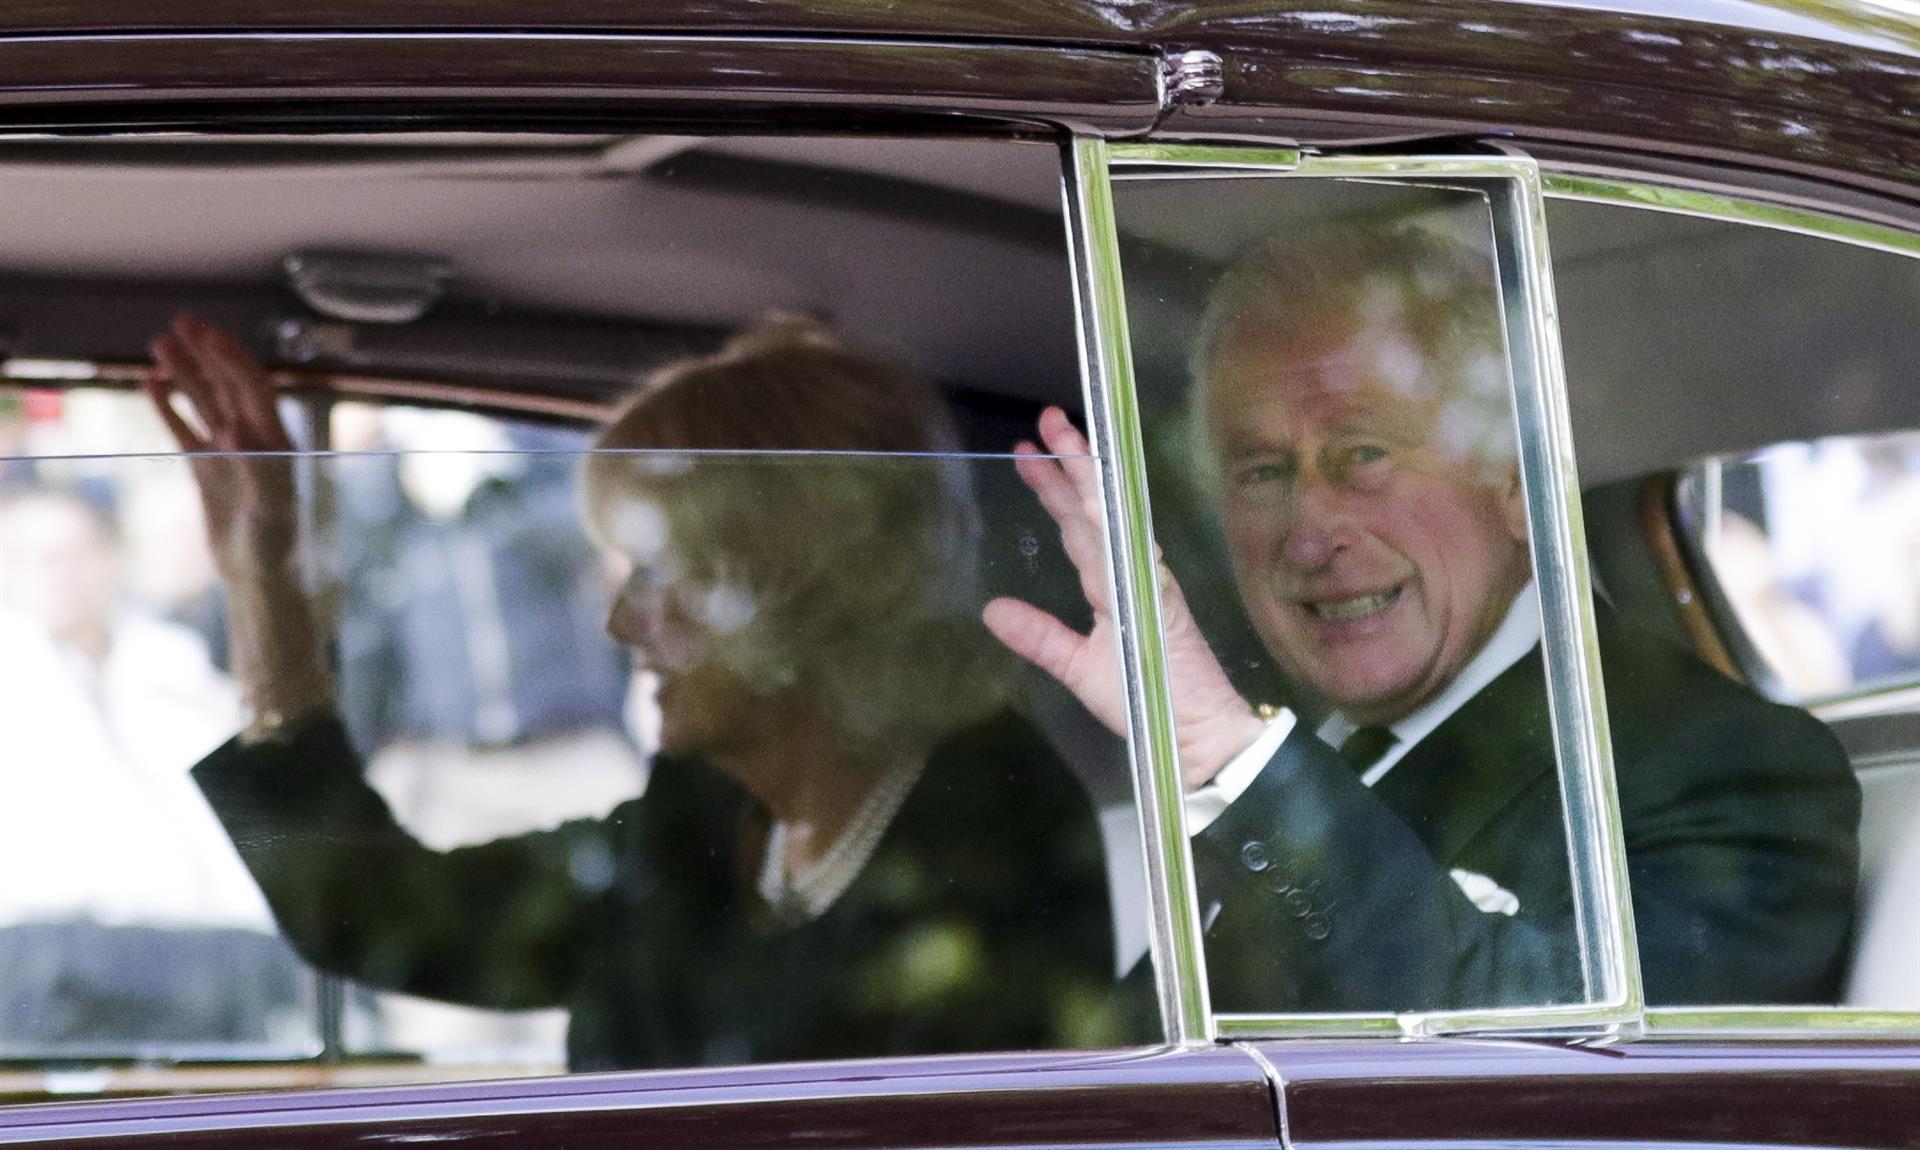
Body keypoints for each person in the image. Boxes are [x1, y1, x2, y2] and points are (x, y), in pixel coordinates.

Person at [146, 314, 1131, 1069]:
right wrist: (261, 576)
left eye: (660, 575)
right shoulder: (707, 819)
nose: (622, 626)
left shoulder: (988, 837)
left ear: (794, 581)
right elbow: (386, 916)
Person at [986, 223, 1861, 1012]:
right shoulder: (1295, 769)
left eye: (1364, 454)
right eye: (1261, 472)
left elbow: (1565, 1089)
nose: (1310, 533)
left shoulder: (1727, 770)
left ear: (1518, 483)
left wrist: (1223, 746)